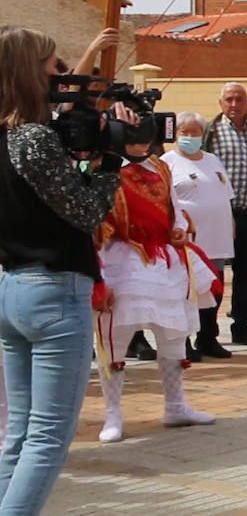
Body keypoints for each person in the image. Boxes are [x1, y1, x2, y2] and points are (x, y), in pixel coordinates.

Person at [0, 26, 131, 513]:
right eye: (56, 67)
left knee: (21, 434)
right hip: (52, 290)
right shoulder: (33, 138)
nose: (63, 77)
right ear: (31, 70)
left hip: (13, 286)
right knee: (48, 438)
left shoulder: (14, 134)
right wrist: (111, 160)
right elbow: (87, 212)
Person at [95, 140, 219, 443]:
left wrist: (177, 227)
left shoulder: (159, 166)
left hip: (164, 260)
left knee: (173, 335)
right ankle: (113, 413)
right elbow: (95, 218)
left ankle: (175, 406)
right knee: (116, 338)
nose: (139, 144)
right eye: (132, 137)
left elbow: (174, 207)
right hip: (122, 259)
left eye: (144, 137)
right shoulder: (105, 168)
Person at [202, 82, 247, 347]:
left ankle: (241, 325)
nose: (234, 104)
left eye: (239, 99)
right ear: (221, 103)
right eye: (229, 99)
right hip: (220, 214)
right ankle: (207, 333)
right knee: (215, 274)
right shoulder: (211, 132)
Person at [165, 112, 236, 362]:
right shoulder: (168, 162)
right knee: (186, 291)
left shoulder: (213, 160)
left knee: (213, 290)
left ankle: (208, 337)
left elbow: (225, 195)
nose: (190, 137)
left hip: (217, 239)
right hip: (189, 241)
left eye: (195, 132)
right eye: (185, 132)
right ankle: (181, 340)